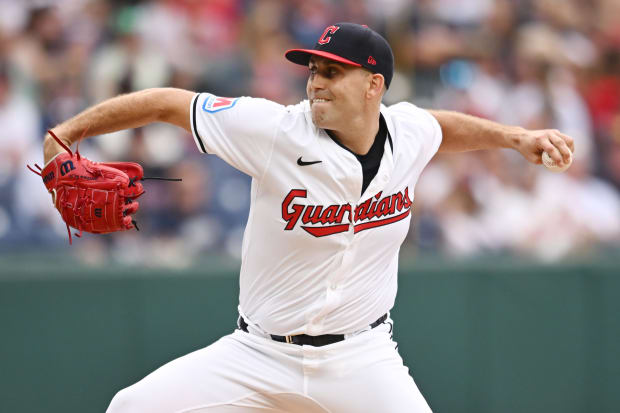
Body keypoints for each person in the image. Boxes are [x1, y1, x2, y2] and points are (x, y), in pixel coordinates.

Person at [43, 23, 574, 413]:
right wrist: (68, 133)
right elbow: (165, 102)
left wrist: (516, 137)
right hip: (257, 353)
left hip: (362, 358)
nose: (316, 82)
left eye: (333, 72)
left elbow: (441, 127)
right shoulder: (274, 130)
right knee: (130, 409)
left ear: (374, 85)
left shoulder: (408, 133)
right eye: (314, 70)